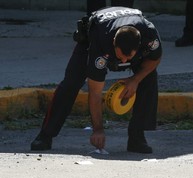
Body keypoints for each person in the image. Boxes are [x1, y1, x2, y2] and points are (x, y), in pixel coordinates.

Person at [30, 6, 162, 154]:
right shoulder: (101, 42)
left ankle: (137, 138)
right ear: (114, 43)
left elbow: (155, 58)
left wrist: (135, 80)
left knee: (149, 77)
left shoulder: (149, 34)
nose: (123, 61)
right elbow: (95, 92)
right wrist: (98, 130)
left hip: (128, 40)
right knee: (71, 84)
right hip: (91, 39)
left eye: (128, 58)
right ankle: (45, 135)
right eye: (120, 56)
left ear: (139, 46)